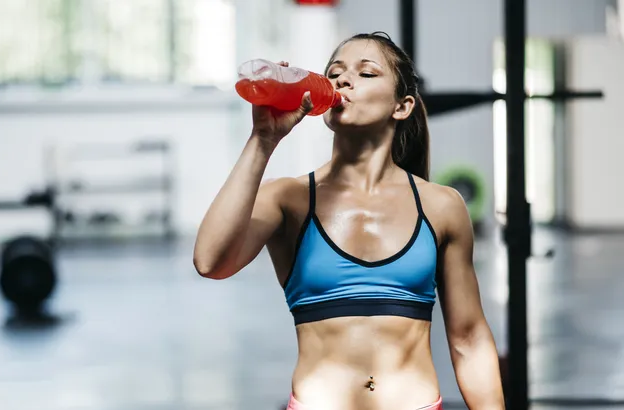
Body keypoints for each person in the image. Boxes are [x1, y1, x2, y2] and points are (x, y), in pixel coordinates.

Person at [193, 32, 505, 410]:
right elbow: (210, 261)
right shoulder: (288, 199)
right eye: (334, 72)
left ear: (402, 106)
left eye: (366, 73)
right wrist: (263, 138)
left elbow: (469, 339)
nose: (342, 80)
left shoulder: (440, 206)